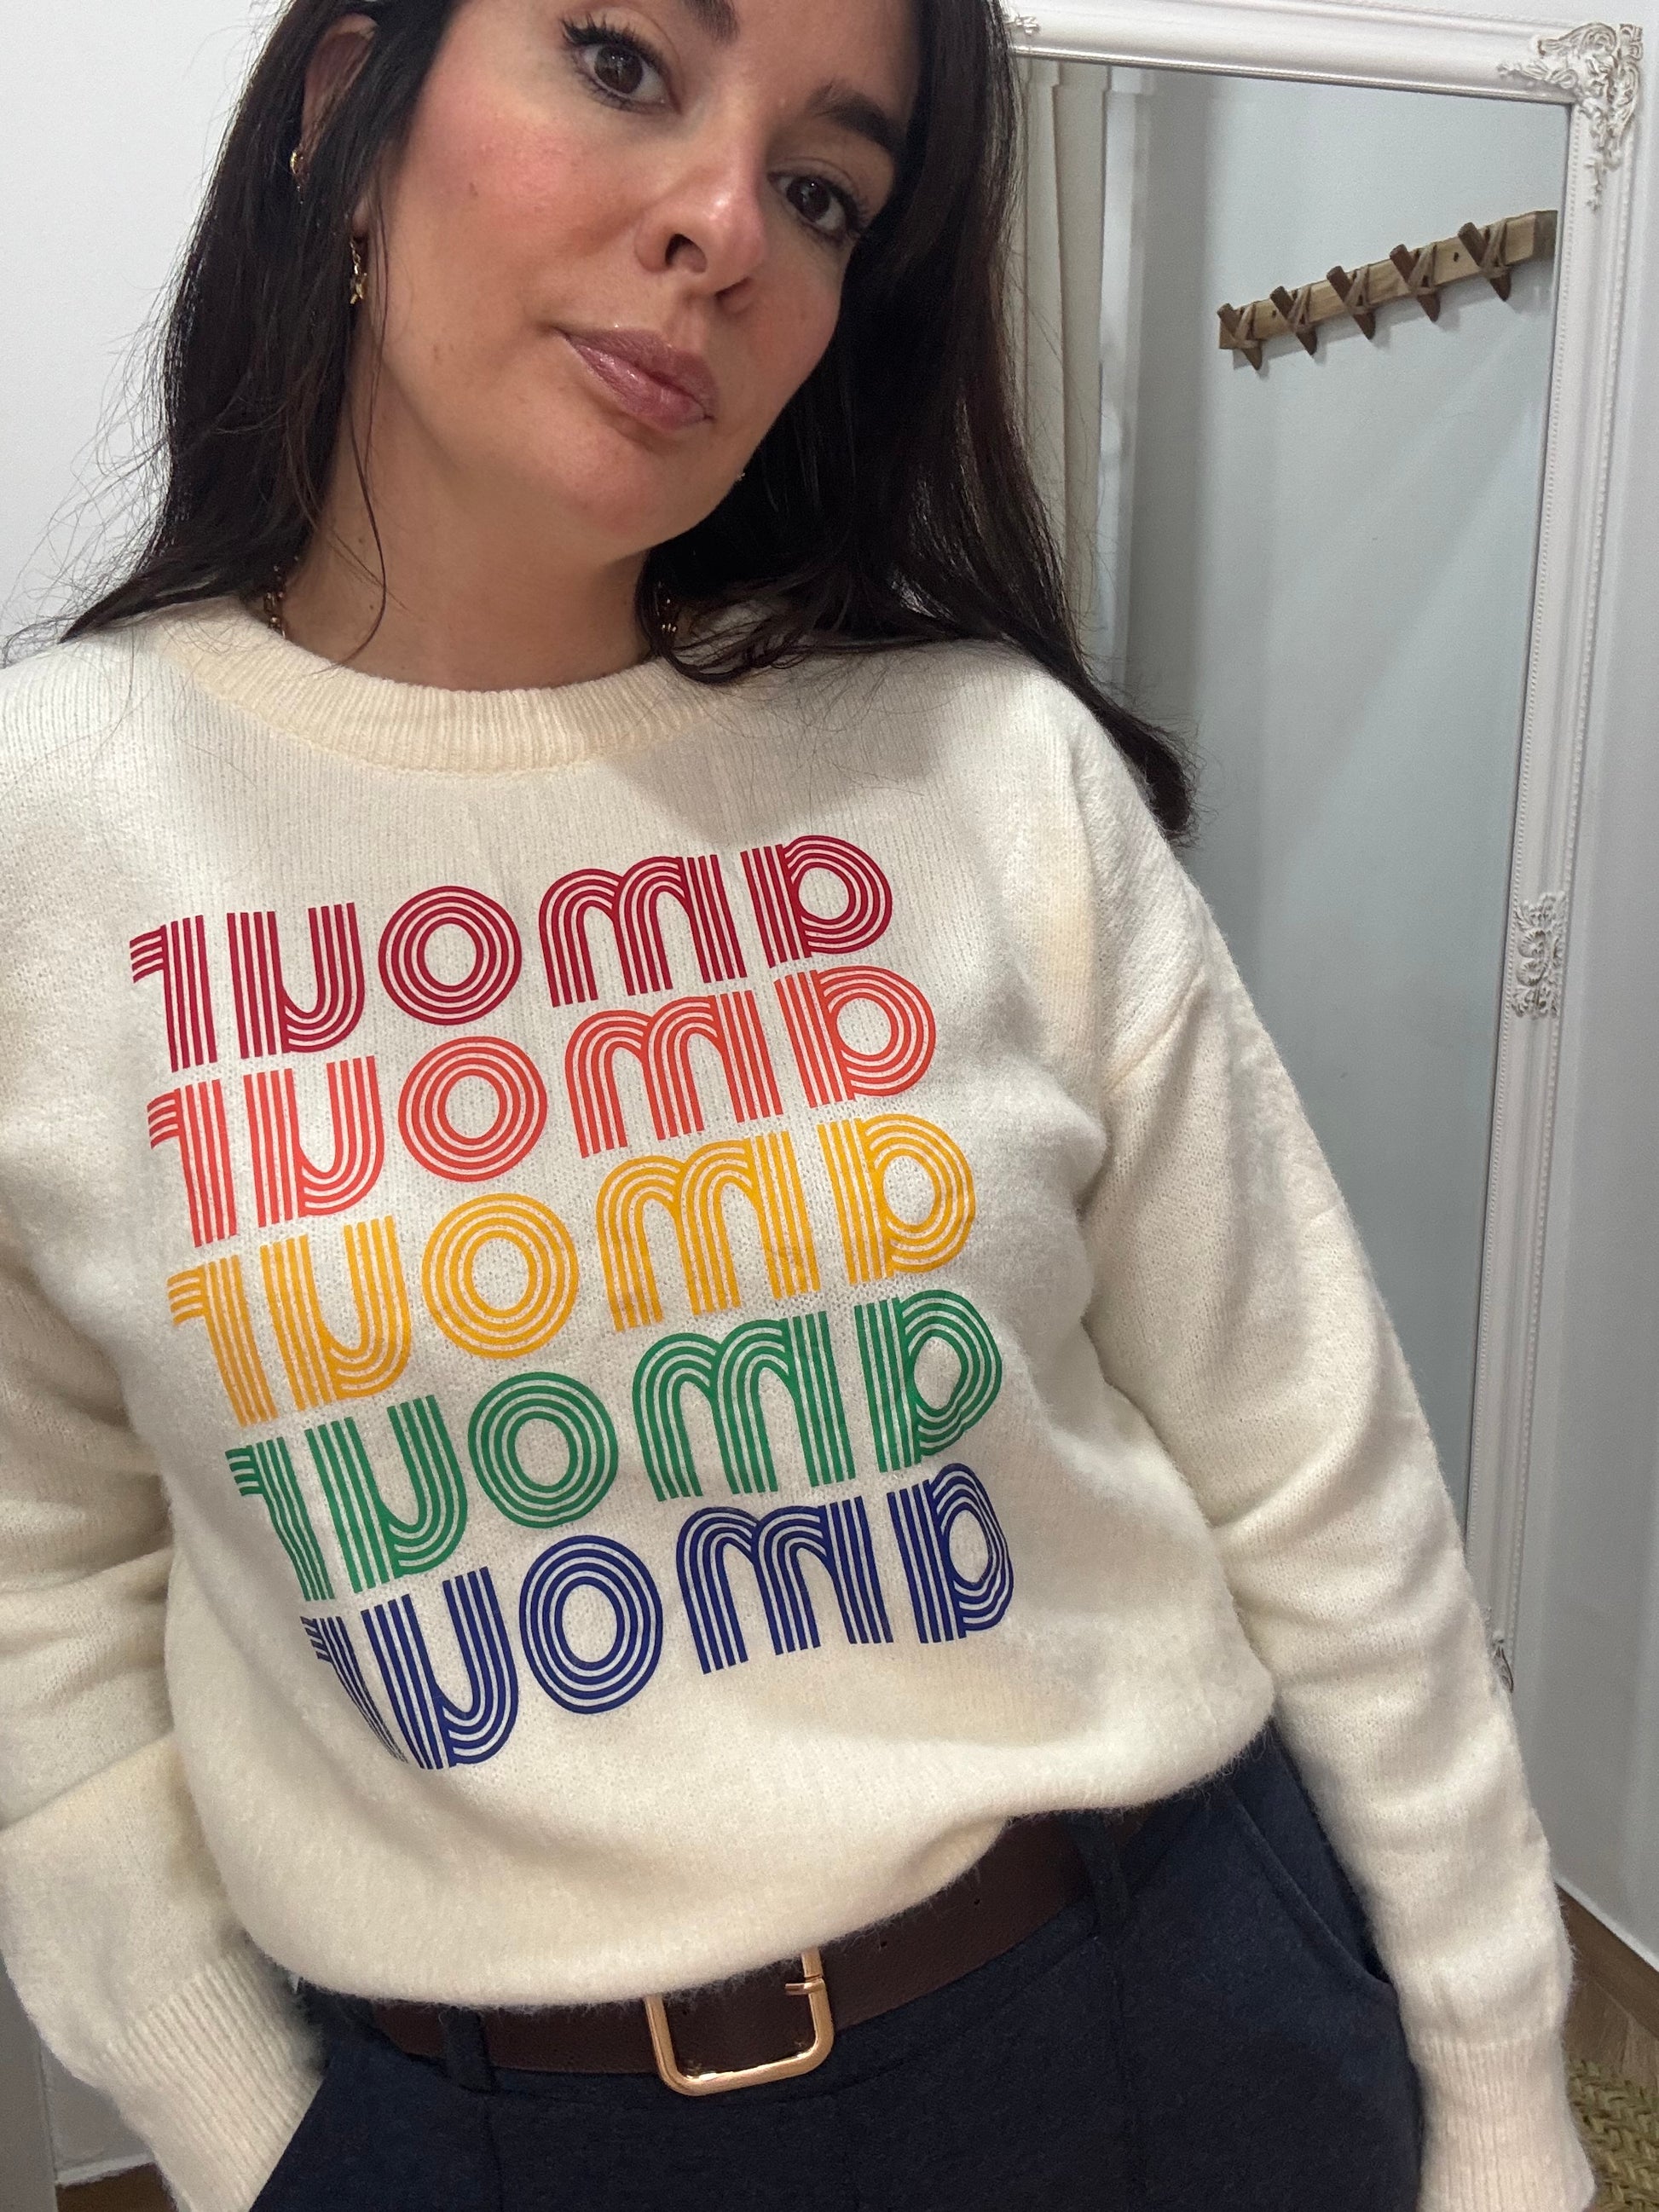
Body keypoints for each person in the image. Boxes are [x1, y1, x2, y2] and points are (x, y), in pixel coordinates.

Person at [0, 1, 1593, 2208]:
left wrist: (1502, 2098)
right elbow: (42, 1586)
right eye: (623, 62)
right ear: (344, 108)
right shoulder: (56, 835)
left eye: (828, 188)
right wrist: (244, 2127)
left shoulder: (982, 768)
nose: (729, 227)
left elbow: (1318, 1477)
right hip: (485, 2132)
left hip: (1156, 2030)